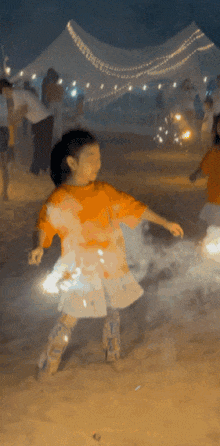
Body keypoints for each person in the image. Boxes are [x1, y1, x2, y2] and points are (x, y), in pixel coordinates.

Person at [28, 129, 184, 379]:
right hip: (80, 267)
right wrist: (39, 246)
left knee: (113, 308)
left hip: (112, 262)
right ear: (72, 162)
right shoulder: (61, 197)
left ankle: (112, 350)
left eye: (99, 158)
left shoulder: (104, 191)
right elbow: (45, 224)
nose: (97, 164)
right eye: (90, 158)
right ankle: (50, 358)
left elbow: (132, 206)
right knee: (71, 314)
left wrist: (164, 222)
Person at [0, 78, 53, 175]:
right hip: (43, 120)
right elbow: (19, 113)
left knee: (40, 145)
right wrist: (12, 119)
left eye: (2, 92)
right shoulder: (18, 93)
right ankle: (42, 169)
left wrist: (11, 120)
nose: (3, 95)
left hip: (42, 120)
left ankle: (36, 170)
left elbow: (22, 110)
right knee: (42, 145)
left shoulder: (16, 94)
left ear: (5, 89)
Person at [42, 68, 64, 142]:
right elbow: (62, 97)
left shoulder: (49, 86)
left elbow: (47, 96)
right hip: (59, 104)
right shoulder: (60, 87)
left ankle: (51, 135)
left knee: (51, 120)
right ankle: (58, 136)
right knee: (59, 120)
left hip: (52, 103)